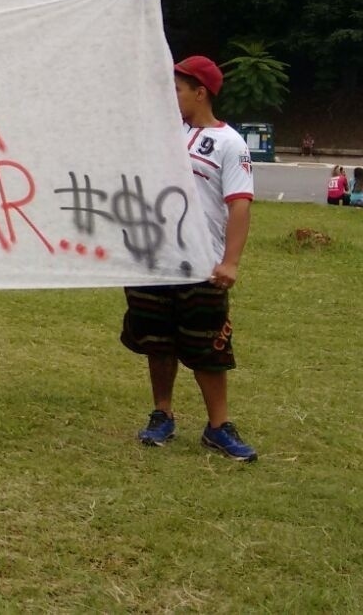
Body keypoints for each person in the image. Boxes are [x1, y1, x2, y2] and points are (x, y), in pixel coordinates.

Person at [121, 55, 258, 462]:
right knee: (157, 342)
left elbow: (240, 205)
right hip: (154, 259)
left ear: (201, 92)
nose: (172, 95)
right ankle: (162, 414)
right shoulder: (166, 133)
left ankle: (217, 426)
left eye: (178, 89)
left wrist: (230, 262)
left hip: (201, 265)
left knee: (207, 348)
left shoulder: (231, 144)